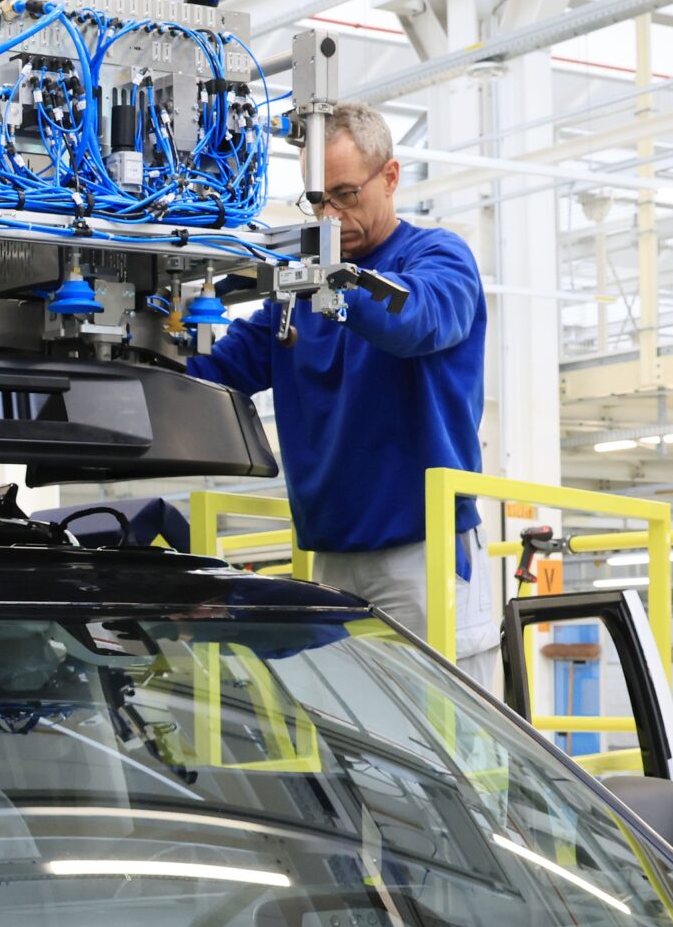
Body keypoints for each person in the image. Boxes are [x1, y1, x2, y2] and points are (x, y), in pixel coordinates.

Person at [187, 100, 499, 687]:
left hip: (424, 549)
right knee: (352, 732)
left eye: (346, 195)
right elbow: (216, 370)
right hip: (329, 555)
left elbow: (415, 320)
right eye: (317, 201)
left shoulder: (438, 259)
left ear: (390, 177)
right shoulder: (296, 297)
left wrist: (329, 284)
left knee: (450, 727)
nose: (330, 216)